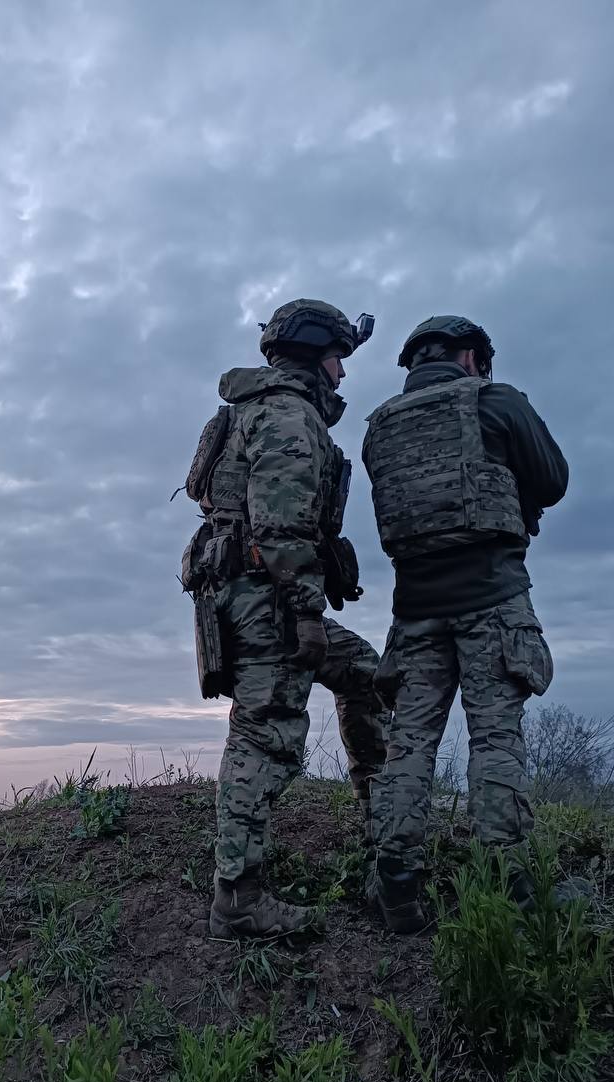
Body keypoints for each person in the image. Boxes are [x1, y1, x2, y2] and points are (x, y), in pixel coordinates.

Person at [180, 299, 388, 939]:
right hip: (270, 601)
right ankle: (238, 897)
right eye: (338, 359)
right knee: (265, 735)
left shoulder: (253, 410)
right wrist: (306, 610)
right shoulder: (289, 417)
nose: (342, 375)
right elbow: (279, 527)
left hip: (250, 594)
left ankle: (384, 832)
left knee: (366, 676)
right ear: (312, 355)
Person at [362, 315, 569, 933]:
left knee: (408, 745)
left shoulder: (379, 428)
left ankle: (396, 887)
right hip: (493, 599)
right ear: (473, 357)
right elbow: (552, 482)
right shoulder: (496, 402)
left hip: (414, 611)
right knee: (495, 740)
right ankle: (512, 890)